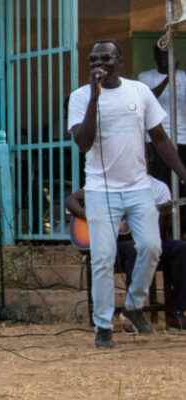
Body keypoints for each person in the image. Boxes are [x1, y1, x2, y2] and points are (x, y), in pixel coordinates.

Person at [68, 39, 186, 348]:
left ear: (120, 61)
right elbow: (83, 142)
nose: (99, 64)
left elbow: (159, 139)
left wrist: (184, 175)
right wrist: (95, 98)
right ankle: (104, 326)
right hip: (99, 190)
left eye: (105, 58)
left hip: (138, 187)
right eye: (93, 60)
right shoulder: (80, 97)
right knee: (103, 258)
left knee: (151, 247)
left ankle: (134, 305)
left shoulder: (139, 92)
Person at [66, 176, 186, 330]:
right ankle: (133, 313)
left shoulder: (159, 188)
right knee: (134, 249)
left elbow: (160, 231)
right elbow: (70, 201)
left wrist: (156, 218)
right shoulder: (110, 181)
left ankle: (177, 312)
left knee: (180, 248)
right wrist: (93, 218)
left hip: (145, 242)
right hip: (116, 244)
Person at [140, 42, 186, 229]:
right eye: (161, 55)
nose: (164, 58)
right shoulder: (145, 77)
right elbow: (149, 98)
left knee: (182, 187)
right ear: (155, 56)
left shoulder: (183, 77)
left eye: (167, 54)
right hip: (156, 140)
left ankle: (181, 229)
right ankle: (163, 230)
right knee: (162, 186)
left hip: (182, 138)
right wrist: (168, 77)